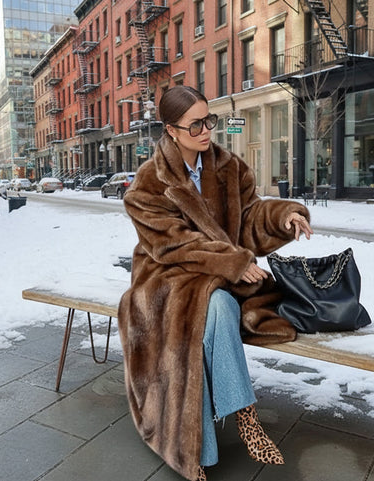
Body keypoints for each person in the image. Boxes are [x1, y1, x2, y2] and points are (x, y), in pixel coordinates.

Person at [118, 86, 313, 481]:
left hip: (217, 278)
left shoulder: (228, 167)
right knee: (213, 308)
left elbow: (251, 215)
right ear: (171, 130)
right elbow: (172, 244)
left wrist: (284, 216)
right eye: (195, 125)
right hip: (165, 279)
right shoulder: (148, 184)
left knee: (216, 308)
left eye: (209, 120)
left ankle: (210, 445)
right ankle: (244, 418)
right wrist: (233, 263)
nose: (206, 130)